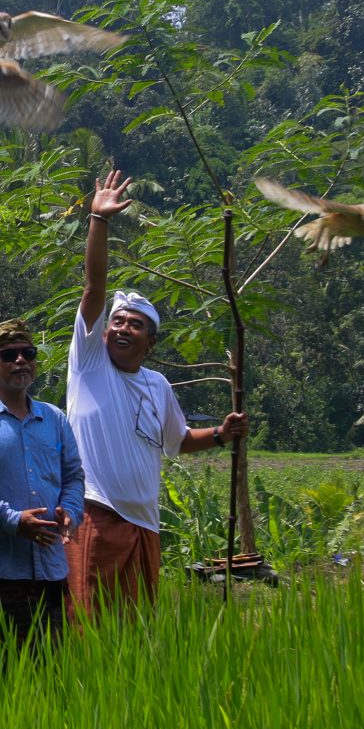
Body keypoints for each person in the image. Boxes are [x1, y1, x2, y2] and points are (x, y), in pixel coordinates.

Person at [67, 170, 249, 613]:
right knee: (87, 630)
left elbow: (178, 441)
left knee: (135, 632)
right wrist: (99, 220)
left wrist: (222, 435)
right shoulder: (89, 363)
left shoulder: (157, 385)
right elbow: (94, 288)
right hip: (95, 513)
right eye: (118, 321)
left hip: (144, 526)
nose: (123, 327)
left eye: (136, 324)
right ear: (104, 331)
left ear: (151, 342)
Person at [0, 319, 83, 644]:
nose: (20, 361)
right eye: (9, 355)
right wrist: (14, 522)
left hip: (53, 572)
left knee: (55, 675)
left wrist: (70, 509)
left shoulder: (54, 418)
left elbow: (73, 476)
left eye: (27, 353)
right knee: (6, 678)